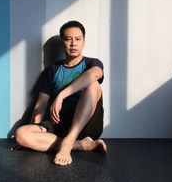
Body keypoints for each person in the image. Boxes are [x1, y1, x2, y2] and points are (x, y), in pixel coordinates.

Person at [11, 21, 107, 166]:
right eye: (68, 39)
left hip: (87, 125)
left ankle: (69, 142)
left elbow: (95, 74)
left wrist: (62, 95)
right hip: (58, 124)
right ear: (62, 43)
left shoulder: (92, 63)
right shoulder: (52, 70)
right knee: (21, 134)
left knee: (93, 84)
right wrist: (32, 138)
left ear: (83, 42)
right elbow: (41, 104)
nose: (73, 44)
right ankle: (81, 145)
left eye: (78, 39)